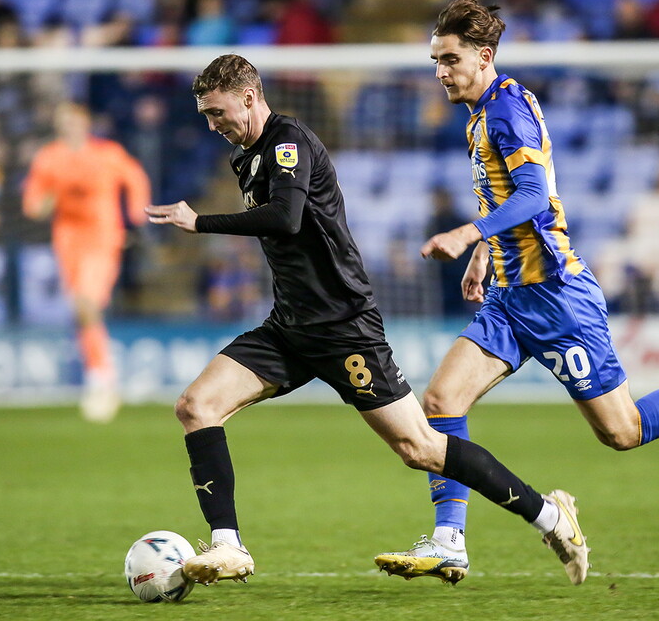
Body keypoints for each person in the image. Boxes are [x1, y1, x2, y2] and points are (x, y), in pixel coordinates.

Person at [373, 0, 659, 586]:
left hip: (557, 296)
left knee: (621, 432)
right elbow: (507, 200)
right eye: (435, 59)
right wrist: (483, 255)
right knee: (442, 402)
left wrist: (469, 231)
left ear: (484, 56)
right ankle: (449, 542)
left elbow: (533, 196)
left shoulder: (507, 111)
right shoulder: (482, 113)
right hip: (510, 297)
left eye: (449, 58)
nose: (440, 71)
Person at [144, 54, 591, 588]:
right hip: (289, 326)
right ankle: (228, 547)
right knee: (196, 405)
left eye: (217, 113)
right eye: (205, 116)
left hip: (343, 327)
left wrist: (201, 221)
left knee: (419, 449)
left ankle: (549, 516)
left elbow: (286, 218)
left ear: (248, 97)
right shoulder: (247, 157)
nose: (212, 126)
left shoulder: (289, 143)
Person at [22, 102, 150, 422]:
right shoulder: (48, 157)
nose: (69, 127)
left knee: (85, 302)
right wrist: (46, 202)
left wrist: (135, 216)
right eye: (63, 121)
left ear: (85, 123)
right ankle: (102, 374)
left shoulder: (107, 154)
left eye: (74, 121)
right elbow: (33, 205)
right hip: (68, 241)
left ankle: (101, 377)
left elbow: (135, 178)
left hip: (103, 237)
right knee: (81, 311)